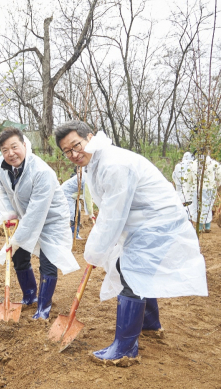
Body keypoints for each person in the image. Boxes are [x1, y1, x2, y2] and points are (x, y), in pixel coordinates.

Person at [55, 120, 207, 364]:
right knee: (132, 270)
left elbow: (113, 215)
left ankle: (125, 348)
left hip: (157, 223)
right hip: (144, 223)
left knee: (131, 274)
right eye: (67, 151)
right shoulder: (96, 161)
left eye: (77, 145)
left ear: (90, 137)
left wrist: (94, 250)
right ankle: (149, 324)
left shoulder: (114, 164)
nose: (74, 154)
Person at [0, 127, 80, 319]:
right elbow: (3, 193)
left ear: (24, 145)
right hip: (27, 217)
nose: (10, 154)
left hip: (51, 221)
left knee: (48, 260)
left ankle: (43, 308)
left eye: (14, 147)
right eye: (5, 150)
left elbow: (36, 213)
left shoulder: (42, 172)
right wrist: (9, 214)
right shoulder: (3, 170)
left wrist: (15, 240)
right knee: (18, 256)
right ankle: (30, 296)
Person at [187, 152, 221, 233]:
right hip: (210, 188)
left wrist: (190, 187)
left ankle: (200, 227)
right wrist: (217, 183)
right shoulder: (214, 164)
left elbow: (188, 177)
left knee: (198, 207)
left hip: (196, 188)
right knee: (208, 206)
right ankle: (207, 226)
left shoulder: (193, 164)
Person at [60, 171, 94, 240]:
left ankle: (76, 234)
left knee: (77, 212)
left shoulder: (90, 179)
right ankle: (71, 235)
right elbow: (88, 198)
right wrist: (91, 213)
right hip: (67, 193)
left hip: (74, 195)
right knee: (72, 214)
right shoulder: (86, 180)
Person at [172, 152, 195, 220]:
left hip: (179, 192)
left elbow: (174, 177)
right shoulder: (193, 165)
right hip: (189, 192)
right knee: (190, 208)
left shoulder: (177, 166)